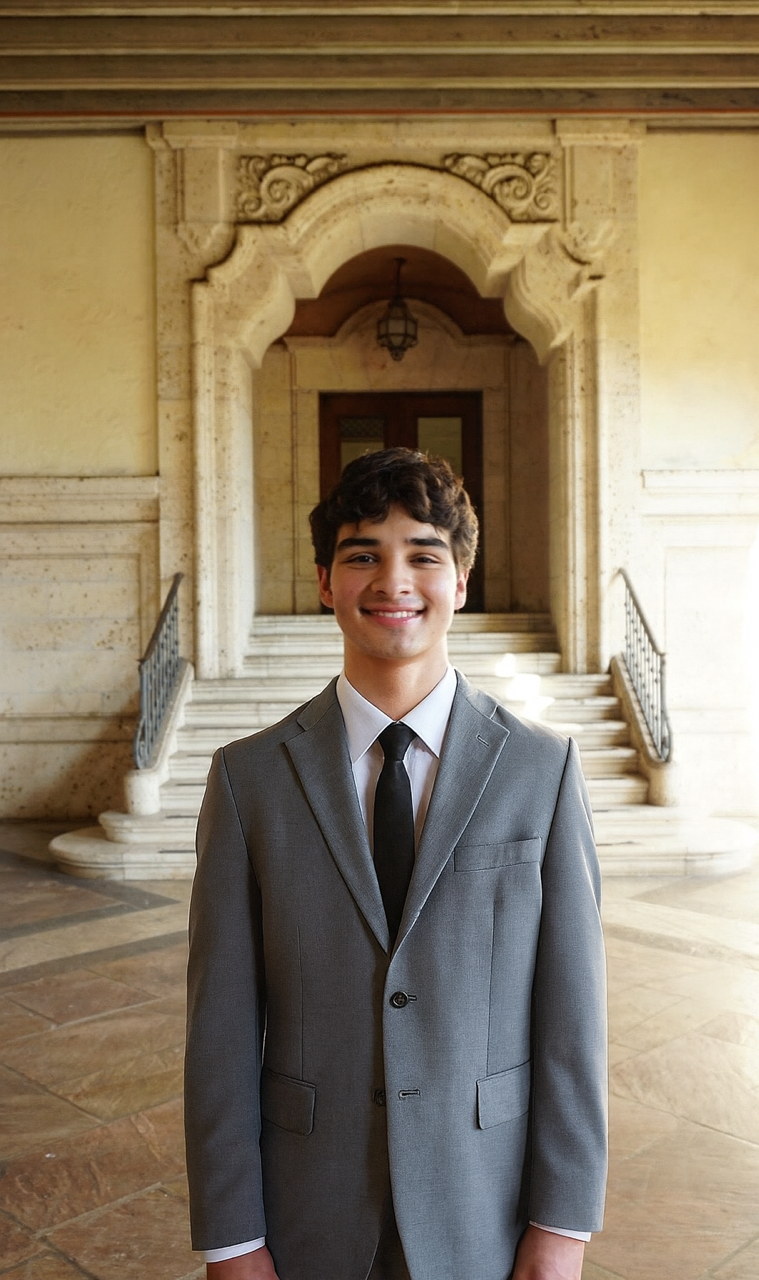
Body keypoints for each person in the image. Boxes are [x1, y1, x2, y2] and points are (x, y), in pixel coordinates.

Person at [184, 448, 607, 1280]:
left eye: (423, 553)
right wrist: (231, 1242)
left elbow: (572, 1020)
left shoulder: (541, 770)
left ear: (461, 580)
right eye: (361, 556)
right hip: (310, 1209)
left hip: (481, 1204)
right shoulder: (249, 780)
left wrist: (560, 1230)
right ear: (324, 583)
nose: (393, 580)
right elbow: (220, 1029)